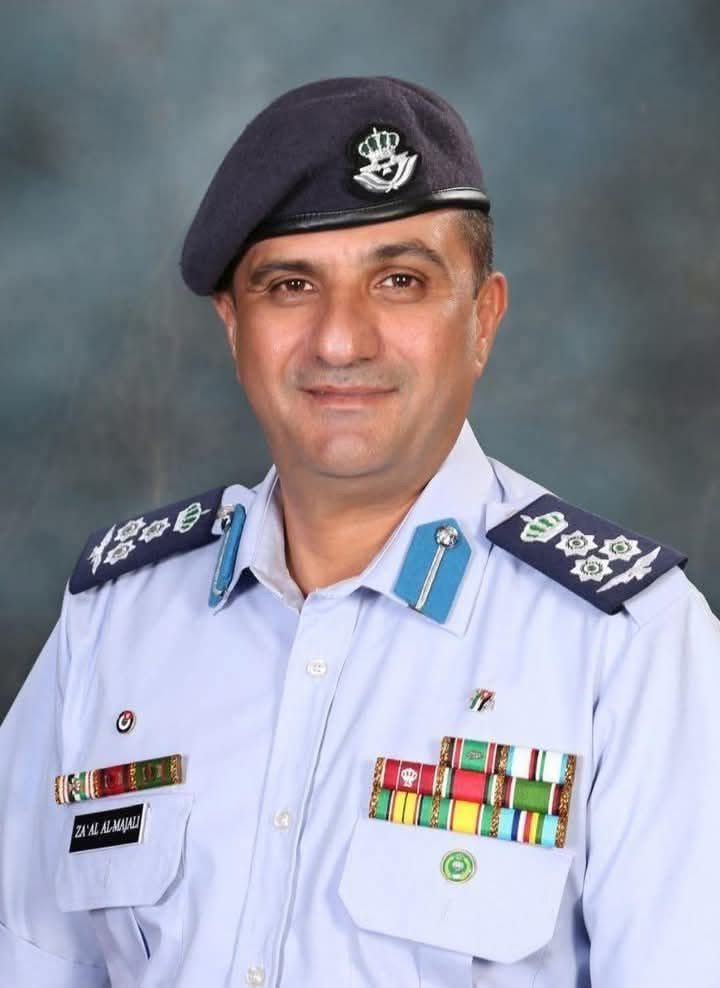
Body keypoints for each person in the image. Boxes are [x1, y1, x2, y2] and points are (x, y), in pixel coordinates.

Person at [0, 76, 718, 988]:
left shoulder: (628, 647)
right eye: (291, 285)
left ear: (483, 317)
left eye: (400, 281)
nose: (341, 340)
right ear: (233, 324)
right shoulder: (114, 622)